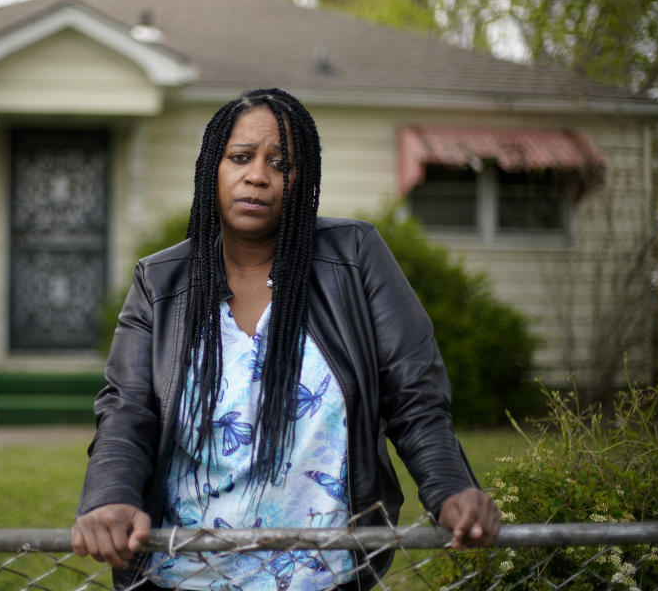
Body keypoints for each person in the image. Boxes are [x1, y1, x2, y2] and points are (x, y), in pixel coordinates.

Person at [71, 88, 500, 591]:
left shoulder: (354, 260)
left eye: (281, 163)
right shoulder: (161, 283)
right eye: (240, 157)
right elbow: (127, 412)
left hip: (321, 577)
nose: (257, 175)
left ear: (303, 180)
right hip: (182, 574)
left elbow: (415, 398)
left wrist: (450, 488)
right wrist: (109, 496)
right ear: (212, 167)